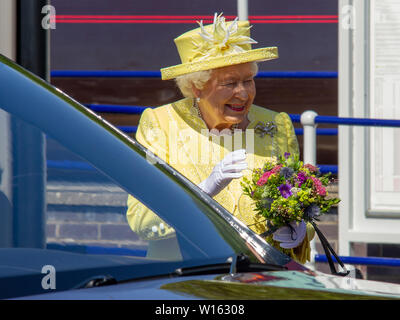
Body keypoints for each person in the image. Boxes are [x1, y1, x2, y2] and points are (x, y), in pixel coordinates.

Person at [126, 13, 314, 263]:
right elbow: (141, 220)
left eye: (248, 81)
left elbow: (298, 204)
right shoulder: (161, 125)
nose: (243, 93)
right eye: (230, 83)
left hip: (263, 277)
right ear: (197, 87)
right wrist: (202, 192)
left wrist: (299, 227)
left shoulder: (276, 124)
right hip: (189, 280)